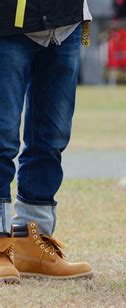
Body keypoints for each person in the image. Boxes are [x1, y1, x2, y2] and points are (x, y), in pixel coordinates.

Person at [0, 0, 93, 284]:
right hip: (8, 22)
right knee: (2, 139)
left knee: (51, 140)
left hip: (65, 22)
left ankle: (33, 241)